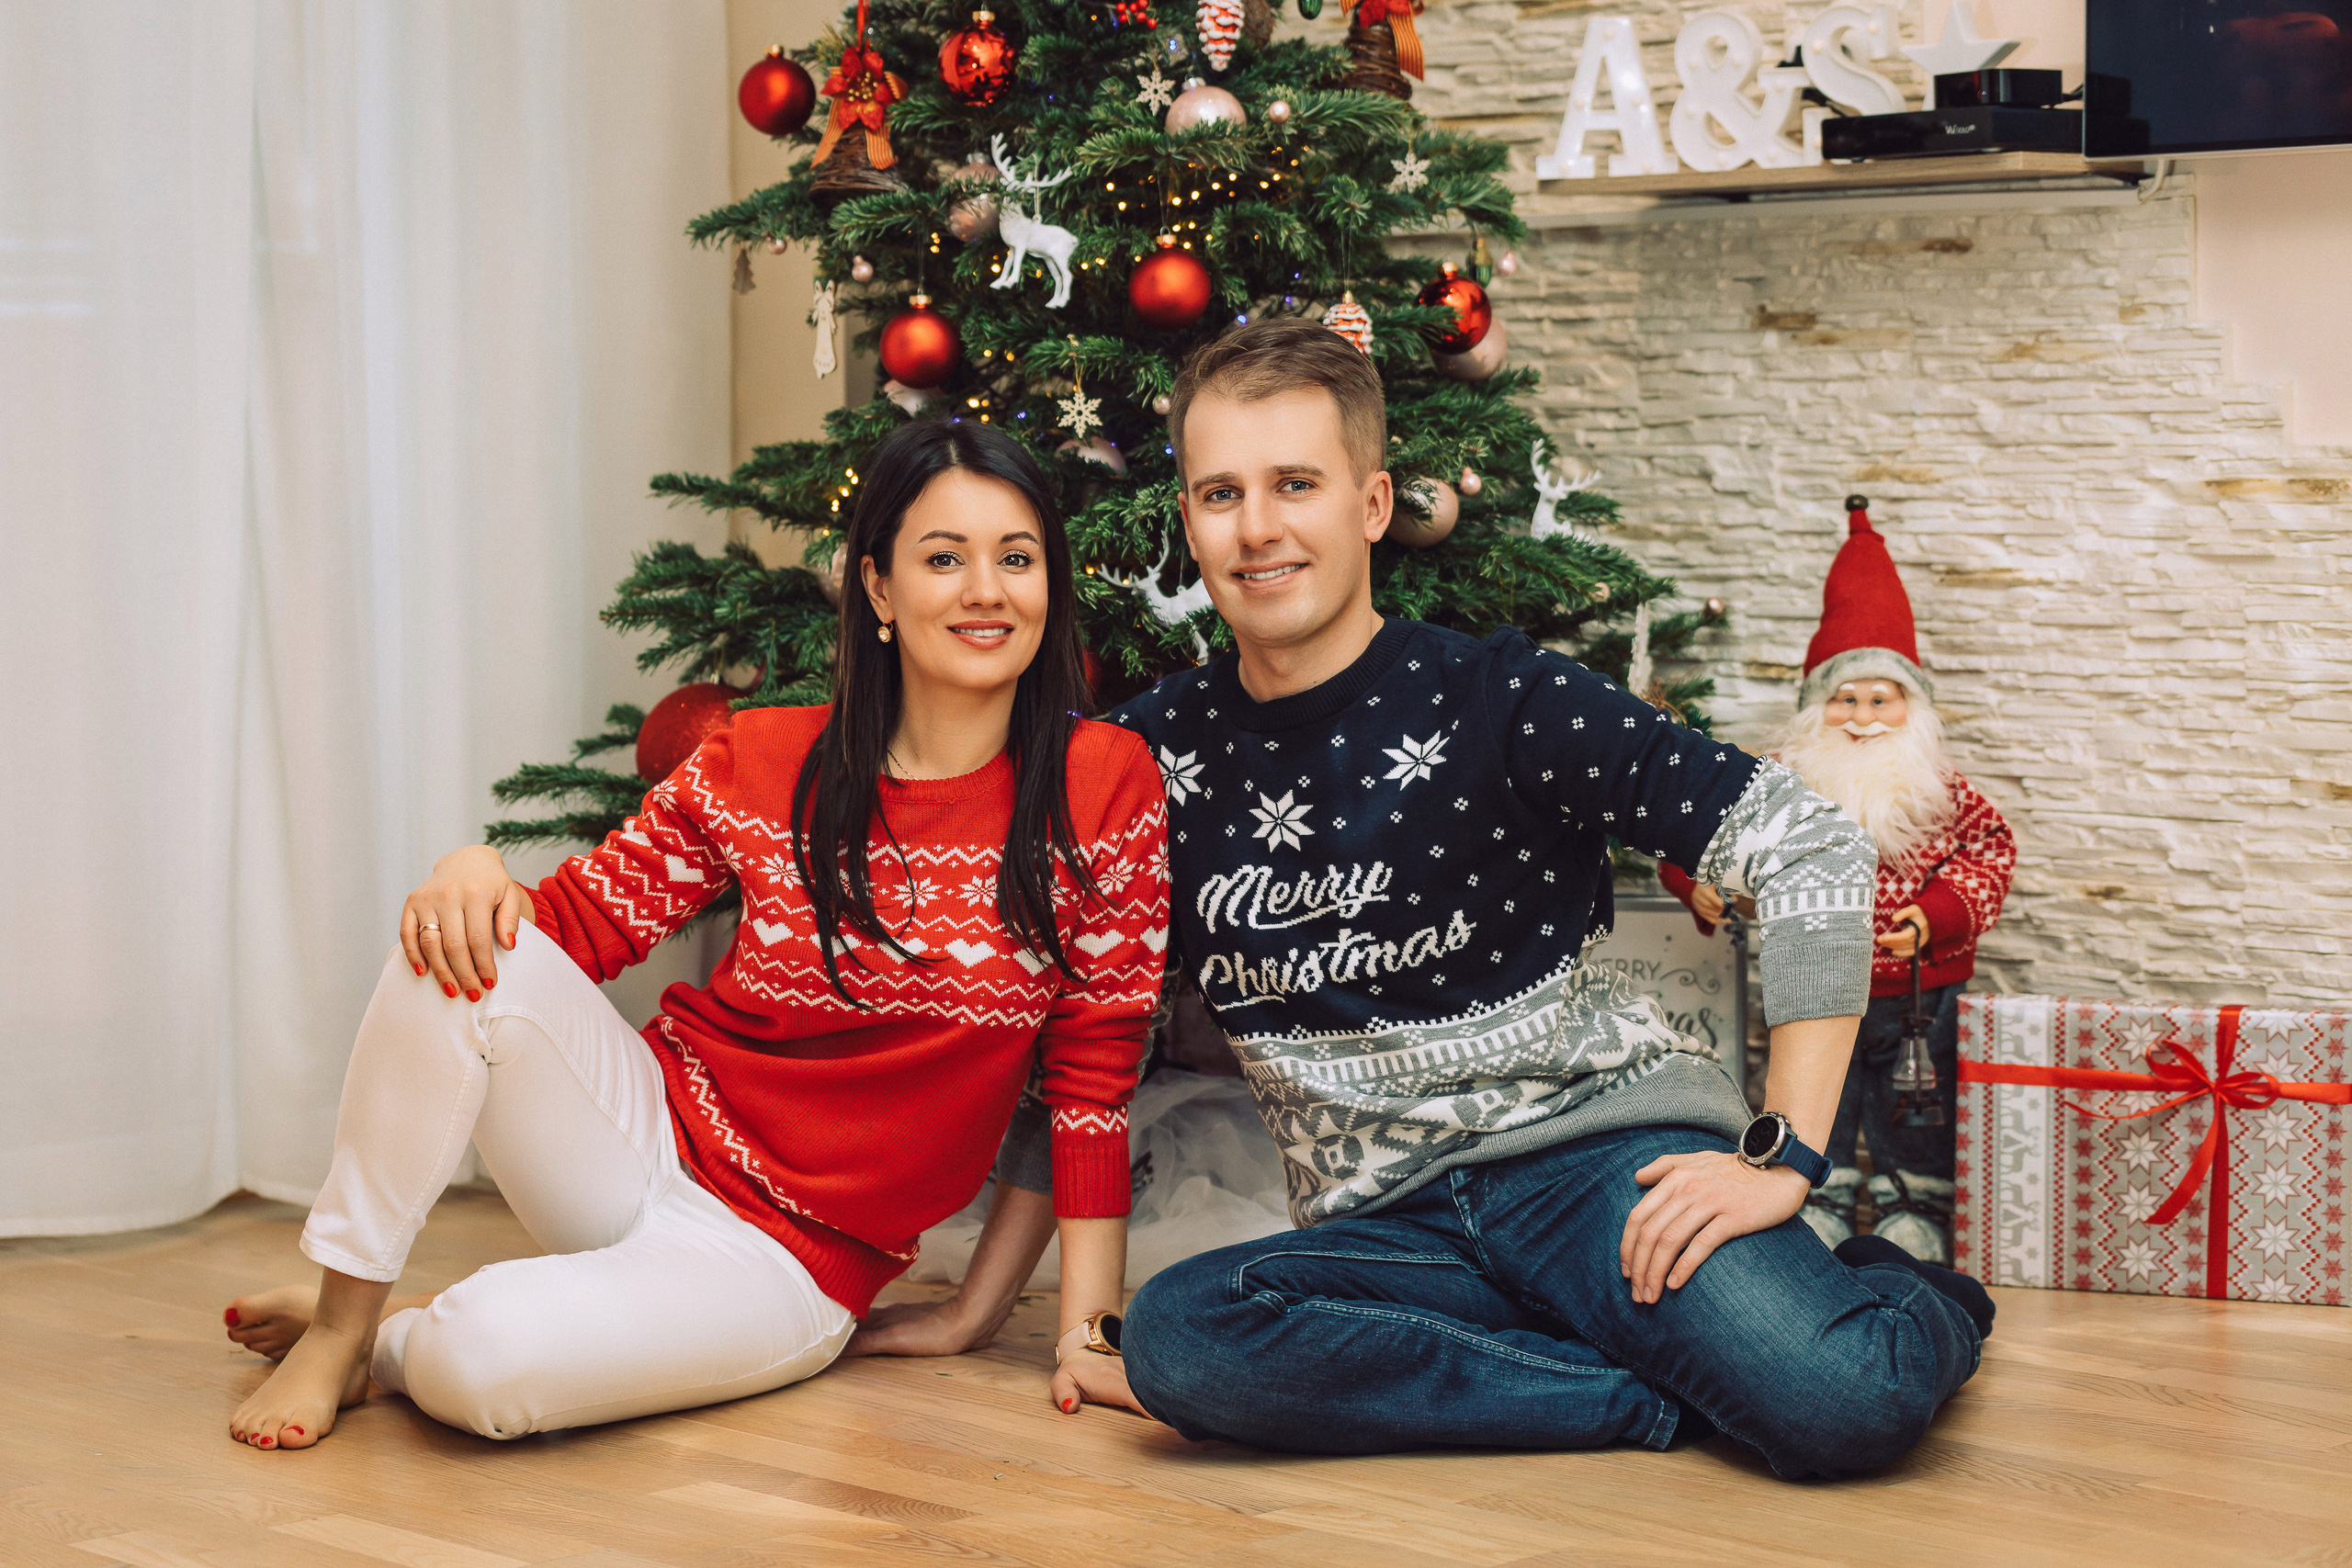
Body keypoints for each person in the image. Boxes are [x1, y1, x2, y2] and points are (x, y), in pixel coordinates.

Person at [872, 319, 1996, 1482]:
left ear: (1370, 504)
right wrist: (973, 1310)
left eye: (1294, 484)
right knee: (1181, 1342)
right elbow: (1084, 1031)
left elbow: (1807, 843)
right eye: (1221, 493)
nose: (1257, 528)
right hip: (1383, 1228)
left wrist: (1783, 1155)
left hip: (1597, 1171)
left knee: (1844, 1403)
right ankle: (1641, 1394)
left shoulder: (1502, 697)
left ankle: (1901, 1290)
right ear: (1190, 520)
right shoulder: (1143, 758)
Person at [217, 419, 1168, 1450]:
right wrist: (471, 872)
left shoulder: (1103, 785)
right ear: (880, 591)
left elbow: (1090, 1077)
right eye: (944, 557)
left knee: (477, 1369)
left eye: (1015, 558)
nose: (986, 590)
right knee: (456, 948)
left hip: (790, 1265)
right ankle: (341, 1321)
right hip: (642, 1138)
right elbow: (577, 927)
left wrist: (1085, 1331)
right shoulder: (759, 758)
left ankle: (392, 1347)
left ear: (1048, 586)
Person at [1660, 498, 2016, 1262]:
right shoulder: (1783, 778)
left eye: (1879, 700)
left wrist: (1937, 913)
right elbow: (1706, 826)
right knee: (1814, 1091)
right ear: (1815, 707)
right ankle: (1811, 1194)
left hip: (1918, 994)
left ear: (1911, 708)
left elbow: (1990, 849)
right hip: (1806, 986)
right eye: (1844, 698)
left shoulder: (1943, 791)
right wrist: (1695, 877)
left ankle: (1910, 1205)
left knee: (1911, 1109)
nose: (1860, 717)